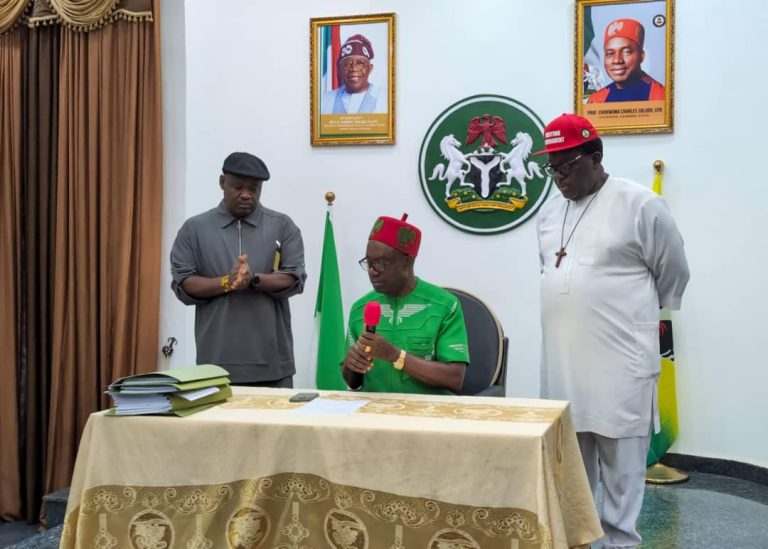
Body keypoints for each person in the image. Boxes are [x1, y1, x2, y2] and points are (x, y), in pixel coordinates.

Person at [533, 114, 689, 548]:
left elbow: (673, 271)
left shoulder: (640, 205)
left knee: (622, 471)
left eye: (567, 165)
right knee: (571, 469)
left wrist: (632, 311)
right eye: (552, 168)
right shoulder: (548, 214)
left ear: (596, 156)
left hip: (622, 363)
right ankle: (581, 542)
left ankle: (621, 542)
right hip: (564, 365)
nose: (559, 177)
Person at [170, 152, 306, 387]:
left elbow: (294, 277)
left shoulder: (282, 226)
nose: (246, 194)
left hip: (273, 368)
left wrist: (254, 280)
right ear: (222, 182)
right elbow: (184, 284)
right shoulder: (194, 229)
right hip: (214, 368)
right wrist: (226, 282)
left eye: (254, 189)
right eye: (238, 186)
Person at [341, 214, 469, 394]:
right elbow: (353, 383)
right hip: (374, 409)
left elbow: (454, 378)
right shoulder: (361, 308)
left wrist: (395, 355)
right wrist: (351, 363)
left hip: (427, 410)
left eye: (381, 263)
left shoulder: (445, 306)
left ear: (406, 263)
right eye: (369, 263)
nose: (372, 271)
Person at [587, 18, 665, 103]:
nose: (617, 60)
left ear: (641, 56)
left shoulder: (660, 96)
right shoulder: (596, 100)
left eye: (626, 52)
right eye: (610, 53)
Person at [321, 33, 387, 115]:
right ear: (339, 70)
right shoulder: (324, 100)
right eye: (347, 64)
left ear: (370, 68)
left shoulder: (386, 99)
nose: (354, 69)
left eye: (360, 63)